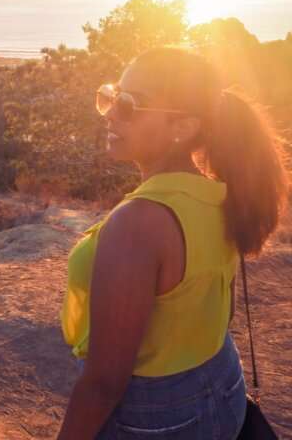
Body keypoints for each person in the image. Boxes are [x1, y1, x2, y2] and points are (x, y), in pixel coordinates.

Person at [57, 47, 289, 439]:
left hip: (157, 418)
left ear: (183, 126)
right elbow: (220, 307)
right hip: (224, 385)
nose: (111, 112)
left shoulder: (137, 225)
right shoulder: (217, 195)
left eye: (130, 105)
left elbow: (104, 384)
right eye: (113, 95)